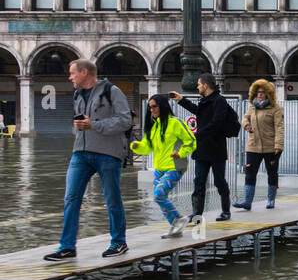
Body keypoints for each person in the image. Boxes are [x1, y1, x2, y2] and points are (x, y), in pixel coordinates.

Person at [44, 58, 133, 261]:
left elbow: (125, 120)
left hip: (108, 153)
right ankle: (67, 247)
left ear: (84, 72)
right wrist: (79, 127)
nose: (70, 77)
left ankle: (119, 242)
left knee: (112, 198)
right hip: (80, 152)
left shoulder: (112, 91)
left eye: (72, 73)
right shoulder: (77, 94)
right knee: (71, 198)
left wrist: (94, 124)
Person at [130, 94, 197, 237]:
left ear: (163, 106)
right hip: (159, 169)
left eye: (154, 106)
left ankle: (179, 220)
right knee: (160, 197)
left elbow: (191, 141)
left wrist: (180, 153)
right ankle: (176, 228)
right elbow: (147, 147)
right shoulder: (153, 126)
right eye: (150, 107)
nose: (151, 110)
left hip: (174, 167)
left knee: (158, 195)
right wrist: (136, 146)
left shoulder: (175, 123)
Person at [171, 73, 234, 222]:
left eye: (199, 84)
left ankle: (226, 210)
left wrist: (197, 136)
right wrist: (181, 100)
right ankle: (197, 213)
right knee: (198, 181)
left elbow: (216, 123)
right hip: (202, 149)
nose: (197, 86)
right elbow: (198, 113)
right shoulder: (205, 101)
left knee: (219, 181)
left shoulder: (220, 101)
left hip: (216, 148)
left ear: (206, 85)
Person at [234, 78, 284, 210]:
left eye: (262, 92)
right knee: (250, 172)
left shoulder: (276, 108)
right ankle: (247, 201)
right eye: (257, 92)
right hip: (253, 146)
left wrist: (278, 145)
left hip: (270, 146)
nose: (259, 94)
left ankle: (271, 199)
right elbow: (245, 118)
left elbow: (279, 127)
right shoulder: (252, 107)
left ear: (268, 93)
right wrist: (246, 125)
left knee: (272, 173)